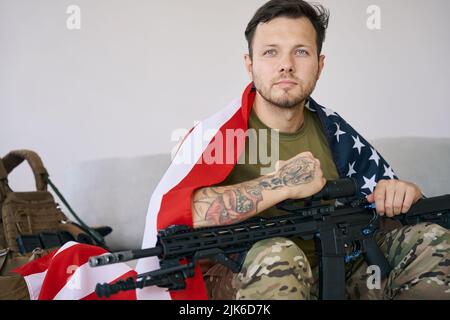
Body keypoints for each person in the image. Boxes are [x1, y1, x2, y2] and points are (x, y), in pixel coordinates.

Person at [186, 0, 450, 300]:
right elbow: (181, 212)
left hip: (336, 266)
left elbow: (383, 203)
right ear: (249, 64)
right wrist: (281, 184)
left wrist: (404, 194)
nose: (286, 64)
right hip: (240, 273)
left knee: (431, 240)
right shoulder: (212, 136)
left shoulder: (334, 131)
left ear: (319, 65)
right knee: (279, 256)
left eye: (301, 51)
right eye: (270, 51)